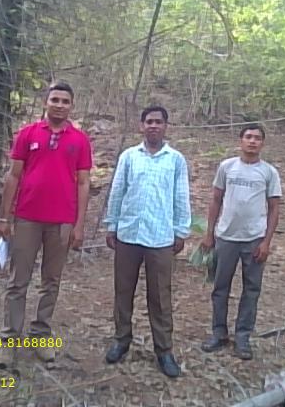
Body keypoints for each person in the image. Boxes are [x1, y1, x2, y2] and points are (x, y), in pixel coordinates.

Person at [0, 80, 92, 368]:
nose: (59, 105)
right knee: (18, 281)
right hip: (27, 218)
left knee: (51, 282)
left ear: (71, 106)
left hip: (61, 222)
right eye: (55, 100)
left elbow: (83, 183)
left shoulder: (80, 140)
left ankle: (40, 335)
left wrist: (79, 225)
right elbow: (14, 176)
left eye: (65, 101)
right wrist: (4, 217)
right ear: (45, 102)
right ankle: (9, 341)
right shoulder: (28, 134)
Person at [104, 106, 191, 378]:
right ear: (141, 125)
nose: (154, 126)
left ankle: (164, 350)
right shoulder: (129, 157)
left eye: (159, 122)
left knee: (160, 296)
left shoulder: (175, 160)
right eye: (149, 121)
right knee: (123, 291)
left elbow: (181, 196)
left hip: (160, 237)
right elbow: (117, 191)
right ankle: (121, 340)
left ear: (166, 126)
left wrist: (181, 231)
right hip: (129, 234)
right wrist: (112, 225)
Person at [200, 124, 281, 360]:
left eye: (257, 138)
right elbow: (216, 200)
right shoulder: (227, 167)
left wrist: (266, 242)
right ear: (240, 140)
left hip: (254, 239)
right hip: (226, 237)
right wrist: (209, 233)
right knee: (220, 288)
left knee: (251, 290)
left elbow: (274, 208)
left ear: (262, 143)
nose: (252, 141)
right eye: (248, 137)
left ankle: (243, 337)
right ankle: (219, 334)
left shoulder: (269, 172)